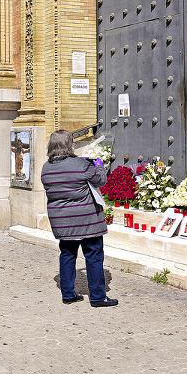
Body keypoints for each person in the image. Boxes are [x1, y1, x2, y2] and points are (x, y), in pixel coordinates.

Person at [40, 130, 118, 307]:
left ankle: (68, 294)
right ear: (69, 145)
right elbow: (100, 180)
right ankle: (98, 297)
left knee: (67, 255)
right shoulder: (80, 164)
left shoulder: (46, 167)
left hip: (62, 222)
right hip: (87, 220)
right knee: (94, 256)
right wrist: (98, 165)